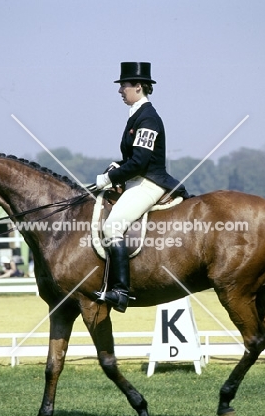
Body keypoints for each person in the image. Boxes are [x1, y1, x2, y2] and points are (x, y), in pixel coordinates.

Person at [94, 62, 189, 313]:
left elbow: (140, 162)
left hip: (149, 183)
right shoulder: (137, 114)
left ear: (138, 86)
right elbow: (133, 157)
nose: (120, 90)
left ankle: (121, 291)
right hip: (138, 178)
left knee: (112, 226)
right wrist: (117, 166)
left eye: (123, 85)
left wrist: (111, 178)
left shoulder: (148, 118)